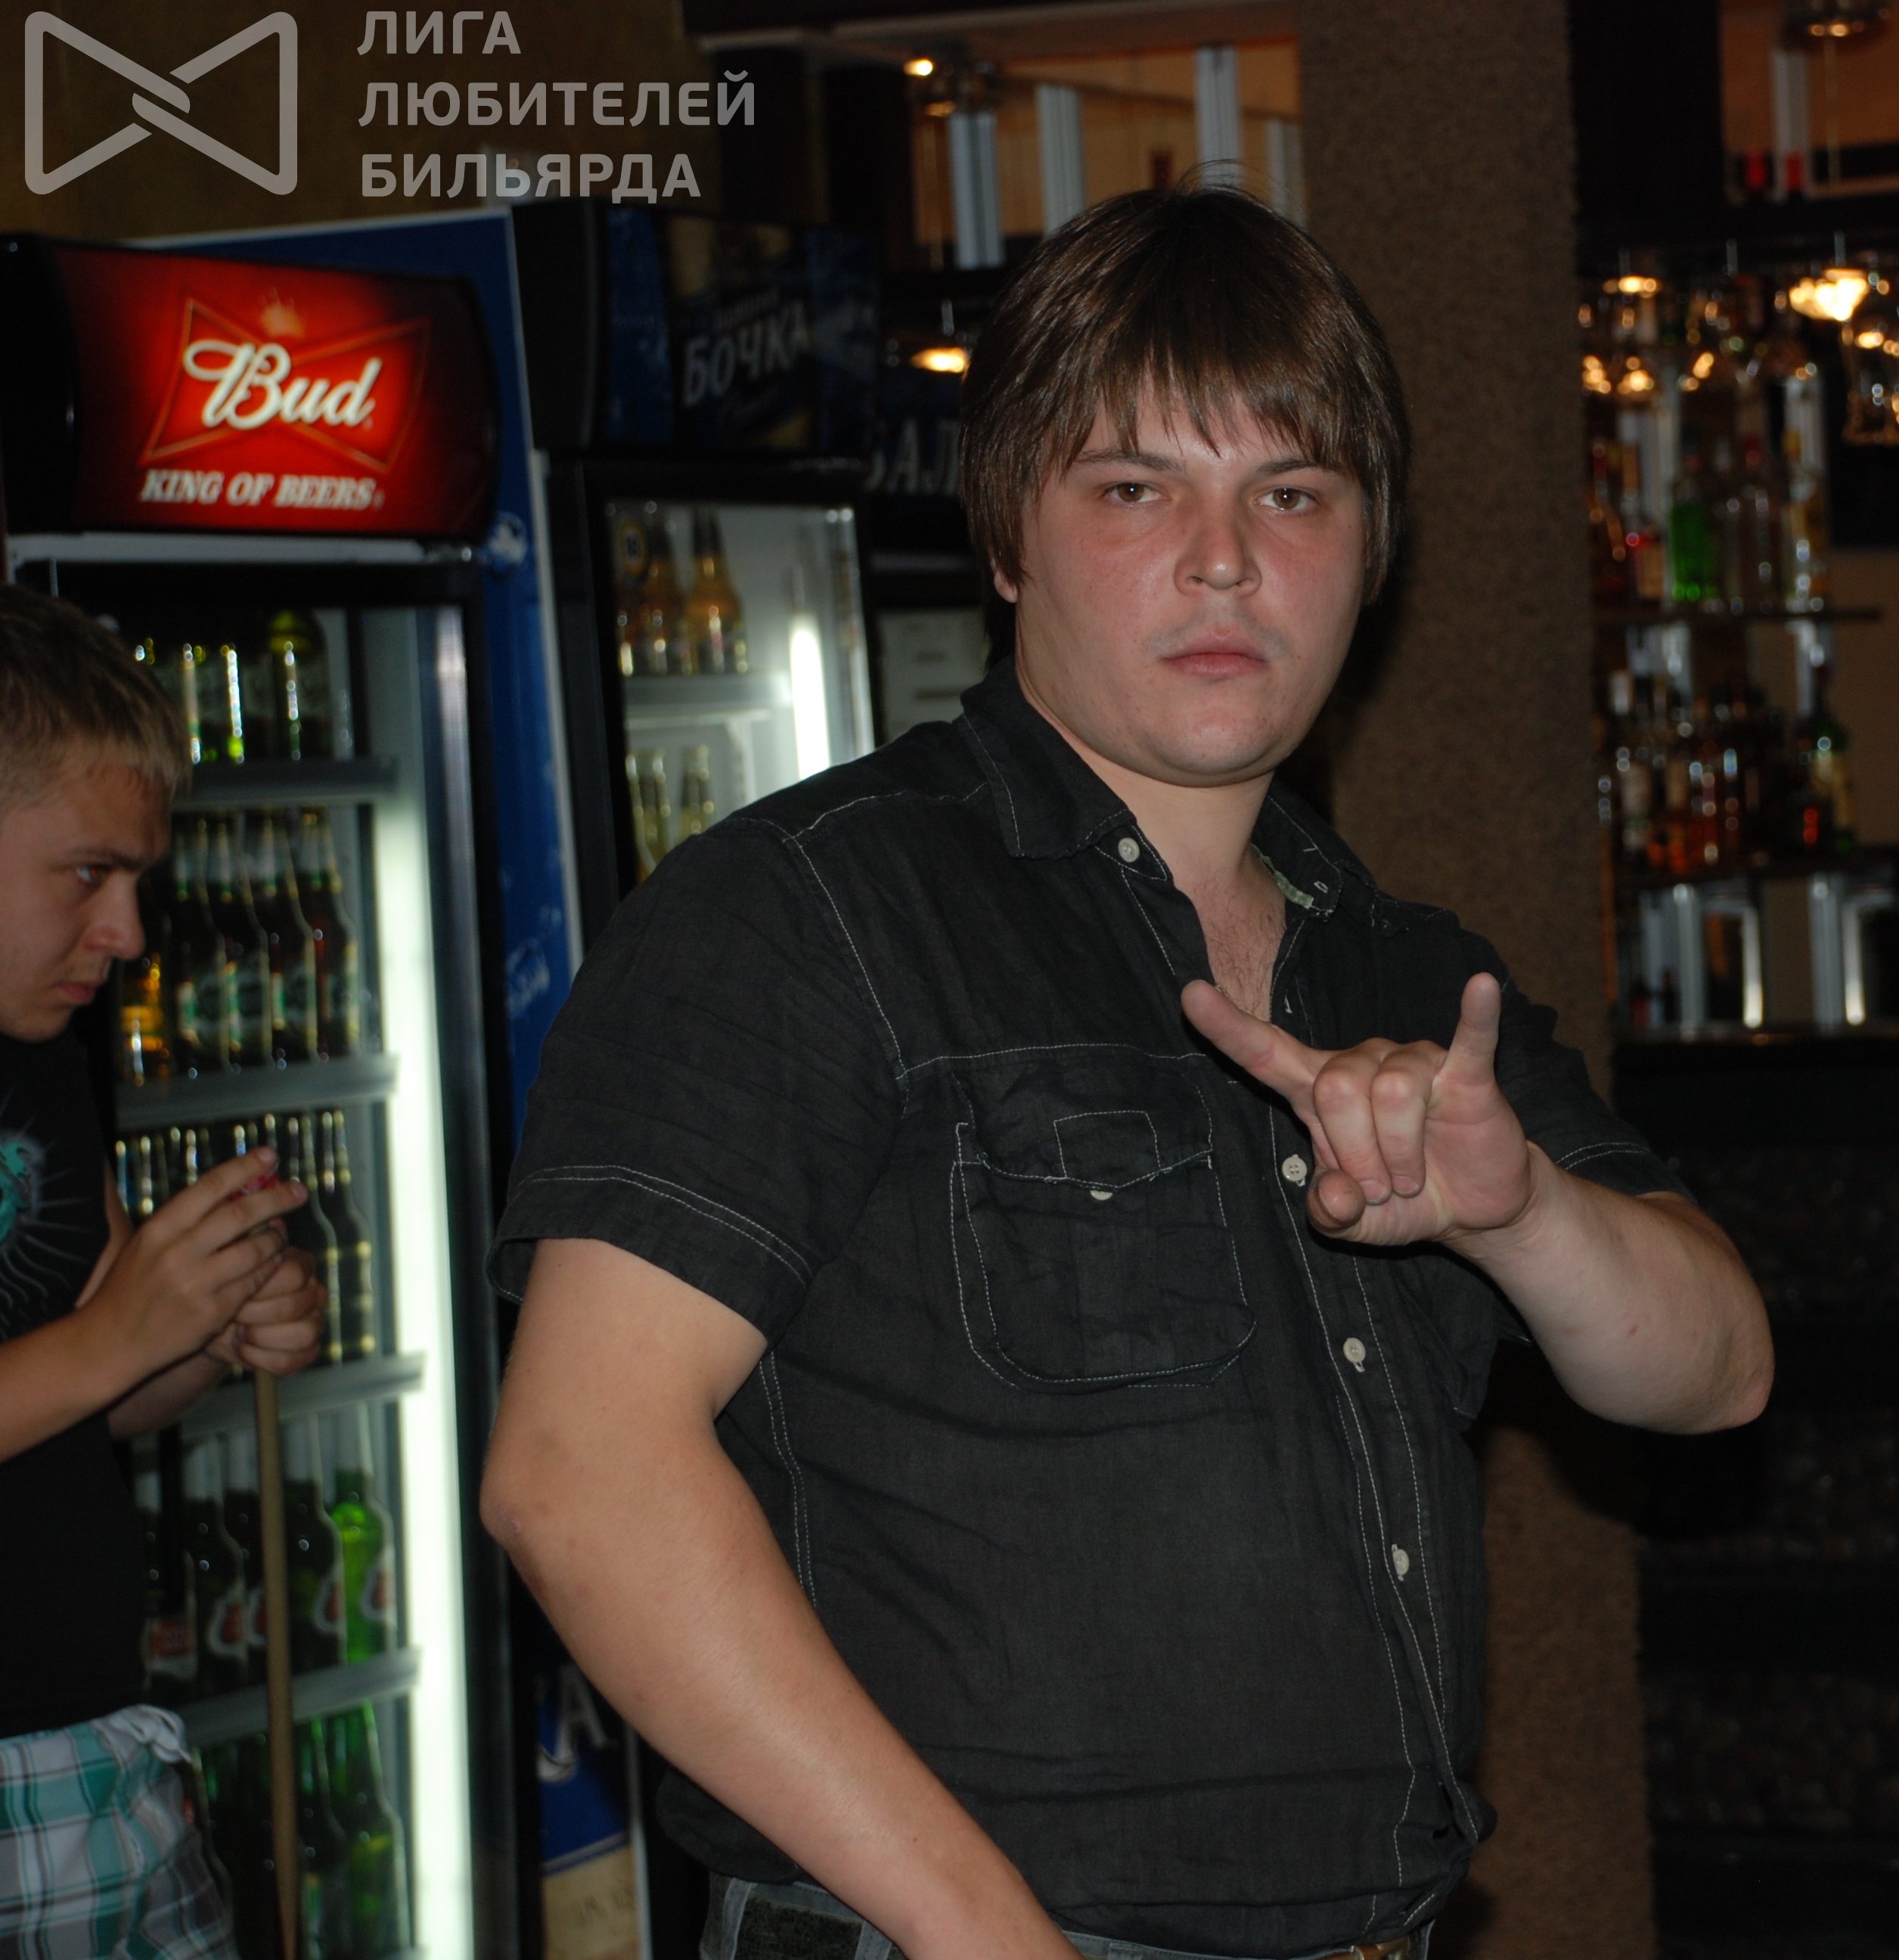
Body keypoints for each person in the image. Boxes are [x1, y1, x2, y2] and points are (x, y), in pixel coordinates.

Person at [481, 185, 1772, 1960]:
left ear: (1372, 553)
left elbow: (1717, 1372)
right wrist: (988, 1939)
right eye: (1135, 489)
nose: (1224, 561)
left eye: (1291, 495)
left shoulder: (1404, 965)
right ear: (1006, 535)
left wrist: (1524, 1212)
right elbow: (578, 1471)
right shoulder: (805, 912)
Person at [0, 588, 328, 1959]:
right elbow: (90, 1351)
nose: (130, 933)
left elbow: (95, 1398)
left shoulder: (44, 1055)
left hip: (101, 1747)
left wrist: (207, 1327)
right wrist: (125, 1331)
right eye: (89, 874)